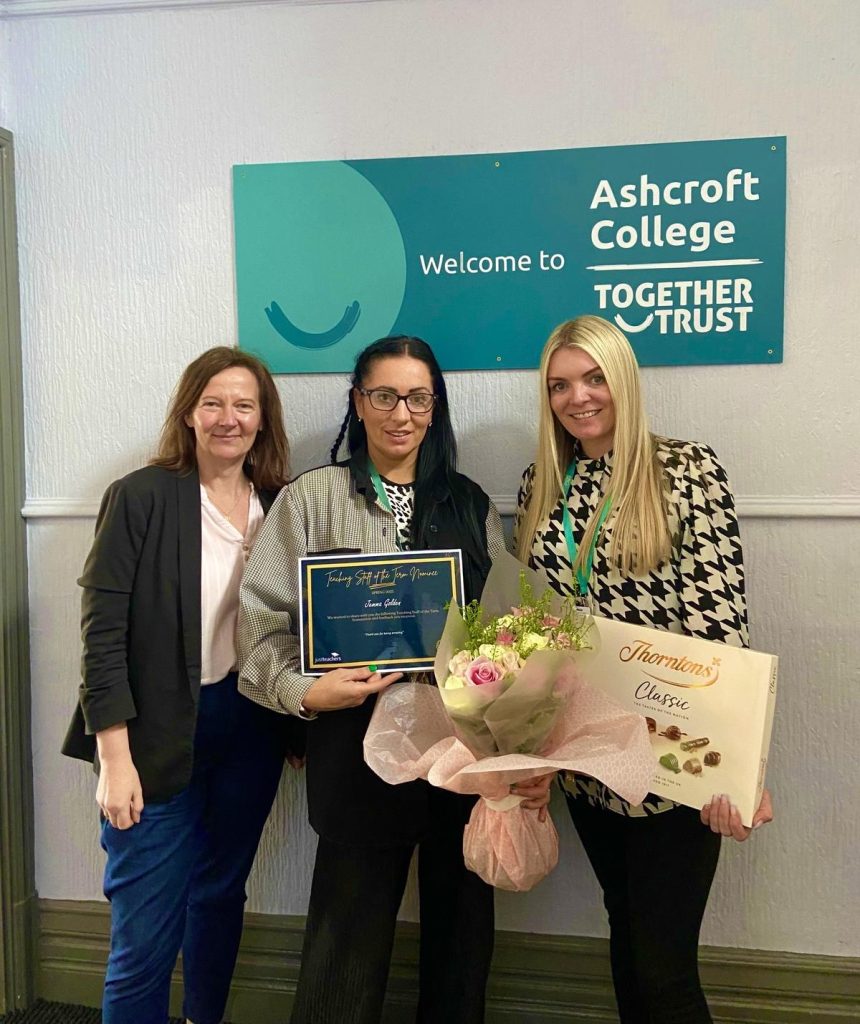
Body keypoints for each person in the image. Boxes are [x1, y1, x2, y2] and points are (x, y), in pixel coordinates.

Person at [239, 335, 546, 1024]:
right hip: (353, 743)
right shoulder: (312, 498)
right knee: (347, 937)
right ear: (358, 402)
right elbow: (259, 625)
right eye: (383, 395)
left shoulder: (466, 504)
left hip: (460, 748)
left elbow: (505, 627)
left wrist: (514, 727)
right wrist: (303, 693)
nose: (399, 413)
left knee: (462, 930)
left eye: (416, 397)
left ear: (434, 409)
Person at [513, 315, 773, 1024]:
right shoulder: (542, 483)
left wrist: (736, 765)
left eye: (595, 378)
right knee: (626, 939)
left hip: (673, 760)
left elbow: (722, 625)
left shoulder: (686, 470)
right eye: (561, 384)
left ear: (622, 379)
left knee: (664, 970)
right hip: (587, 758)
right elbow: (537, 626)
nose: (579, 397)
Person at [62, 346, 302, 1024]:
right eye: (214, 403)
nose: (229, 418)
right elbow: (100, 634)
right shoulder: (142, 497)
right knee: (146, 931)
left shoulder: (279, 504)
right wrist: (113, 758)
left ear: (263, 419)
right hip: (153, 730)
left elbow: (294, 622)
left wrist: (295, 722)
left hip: (249, 723)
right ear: (189, 413)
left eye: (244, 405)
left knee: (221, 893)